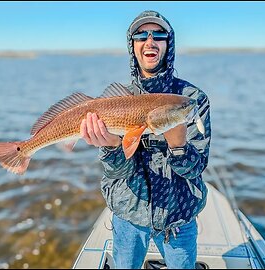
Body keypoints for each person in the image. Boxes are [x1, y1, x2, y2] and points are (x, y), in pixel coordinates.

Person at [79, 10, 211, 269]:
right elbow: (115, 171)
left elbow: (196, 168)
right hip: (129, 215)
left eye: (158, 34)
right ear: (133, 46)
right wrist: (110, 146)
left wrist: (178, 146)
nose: (150, 41)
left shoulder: (191, 99)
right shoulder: (116, 102)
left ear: (168, 44)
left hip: (178, 217)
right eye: (141, 35)